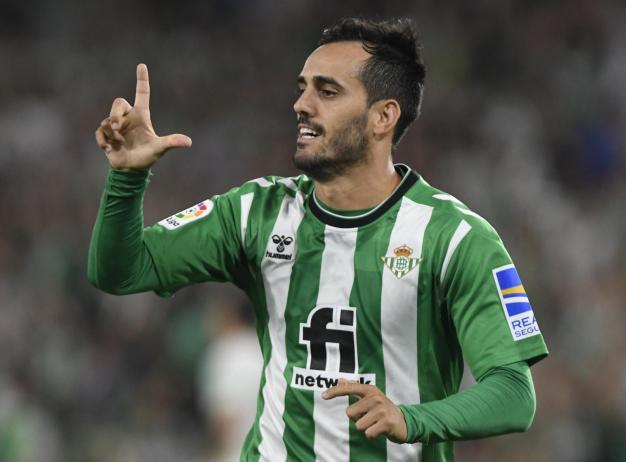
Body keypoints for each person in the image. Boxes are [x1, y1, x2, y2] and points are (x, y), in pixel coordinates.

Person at [89, 17, 548, 462]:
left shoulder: (455, 237)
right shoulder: (256, 212)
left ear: (383, 117)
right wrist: (127, 179)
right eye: (302, 88)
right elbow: (120, 271)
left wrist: (412, 419)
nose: (302, 104)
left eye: (327, 91)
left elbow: (513, 394)